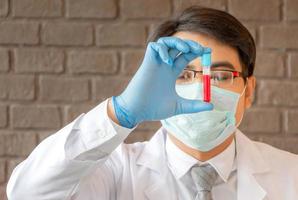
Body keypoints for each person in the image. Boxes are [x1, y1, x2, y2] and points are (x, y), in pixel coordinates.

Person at [6, 6, 298, 200]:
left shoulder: (291, 176)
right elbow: (28, 193)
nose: (201, 90)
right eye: (183, 74)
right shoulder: (114, 171)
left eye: (219, 76)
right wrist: (122, 112)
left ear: (248, 92)